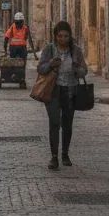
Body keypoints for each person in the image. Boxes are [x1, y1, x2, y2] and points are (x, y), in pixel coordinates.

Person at [37, 21, 88, 171]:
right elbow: (41, 68)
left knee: (67, 124)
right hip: (53, 90)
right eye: (60, 36)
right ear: (55, 36)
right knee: (54, 122)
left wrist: (77, 70)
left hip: (70, 90)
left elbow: (84, 71)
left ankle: (65, 153)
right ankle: (54, 157)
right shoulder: (49, 49)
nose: (63, 39)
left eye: (66, 36)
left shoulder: (76, 51)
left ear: (70, 36)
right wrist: (51, 64)